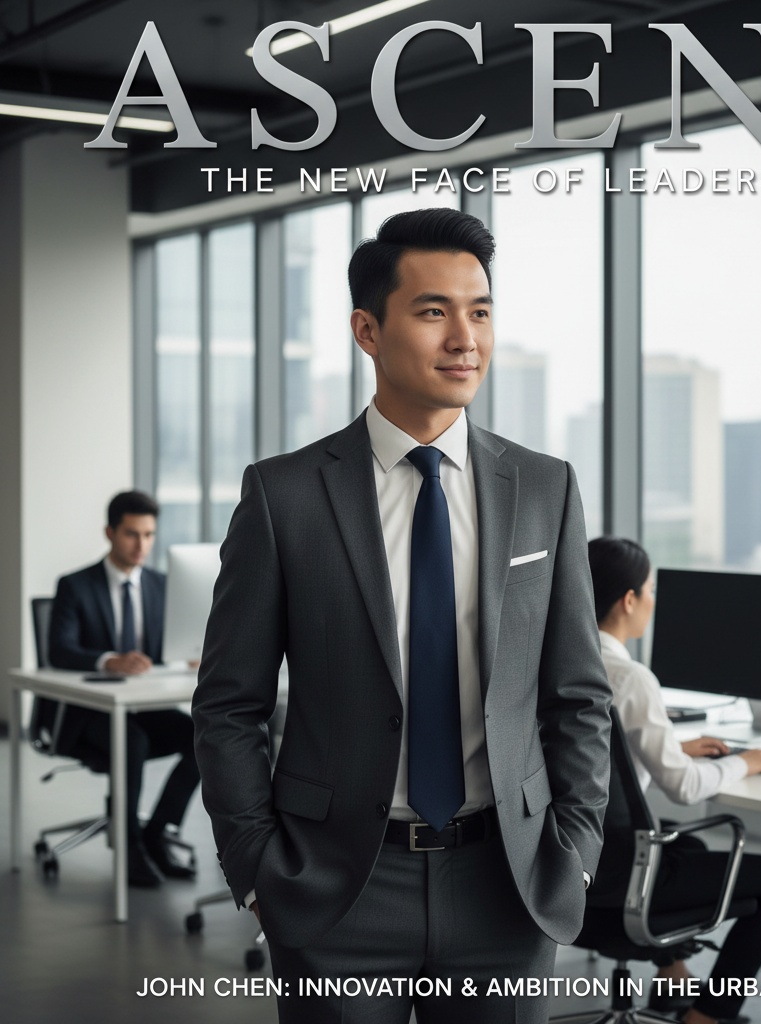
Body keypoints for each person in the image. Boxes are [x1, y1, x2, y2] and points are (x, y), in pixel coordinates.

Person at [191, 208, 612, 1024]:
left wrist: (578, 854)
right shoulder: (285, 497)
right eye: (433, 311)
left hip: (507, 885)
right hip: (338, 889)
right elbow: (228, 703)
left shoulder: (544, 487)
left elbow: (578, 694)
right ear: (367, 330)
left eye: (480, 311)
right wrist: (255, 868)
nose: (466, 338)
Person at [587, 536, 761, 1024]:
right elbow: (682, 787)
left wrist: (671, 748)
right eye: (651, 589)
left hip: (570, 868)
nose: (653, 602)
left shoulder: (555, 659)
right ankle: (708, 1015)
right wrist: (748, 762)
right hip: (620, 875)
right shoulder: (629, 676)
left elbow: (594, 754)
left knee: (692, 852)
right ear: (629, 600)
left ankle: (673, 977)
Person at [48, 490, 200, 888]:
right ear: (110, 533)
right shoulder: (75, 586)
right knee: (130, 743)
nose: (142, 545)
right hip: (88, 716)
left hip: (143, 708)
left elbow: (168, 648)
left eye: (149, 535)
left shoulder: (162, 585)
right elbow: (59, 650)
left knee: (205, 737)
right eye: (132, 534)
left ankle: (157, 832)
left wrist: (190, 654)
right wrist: (109, 660)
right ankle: (130, 846)